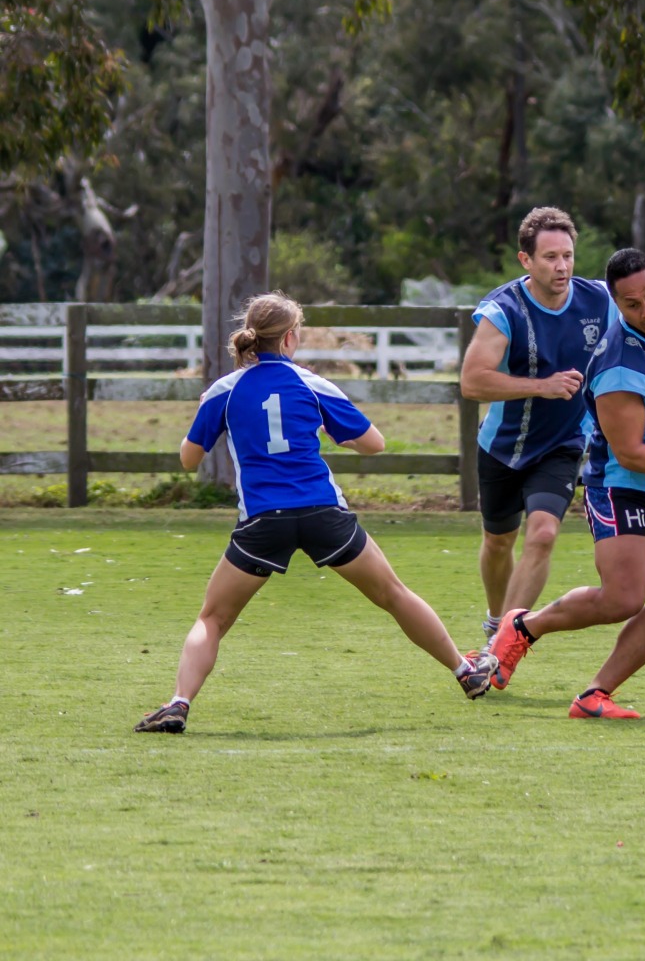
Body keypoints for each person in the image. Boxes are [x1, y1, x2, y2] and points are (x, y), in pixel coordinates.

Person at [134, 293, 497, 733]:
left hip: (264, 521)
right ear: (290, 338)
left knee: (213, 618)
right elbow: (374, 443)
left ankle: (178, 703)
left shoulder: (223, 391)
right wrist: (330, 430)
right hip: (324, 513)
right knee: (393, 595)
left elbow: (189, 460)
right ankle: (465, 671)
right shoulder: (312, 383)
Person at [486, 248, 645, 718]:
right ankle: (524, 626)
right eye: (632, 305)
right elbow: (630, 453)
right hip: (626, 484)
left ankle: (595, 694)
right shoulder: (619, 366)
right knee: (622, 598)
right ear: (616, 306)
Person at [460, 207, 615, 641]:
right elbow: (472, 382)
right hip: (503, 447)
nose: (562, 266)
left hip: (564, 442)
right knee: (498, 542)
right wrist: (542, 386)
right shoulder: (503, 309)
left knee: (544, 534)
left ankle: (504, 642)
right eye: (549, 257)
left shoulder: (600, 301)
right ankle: (496, 618)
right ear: (525, 260)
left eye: (567, 255)